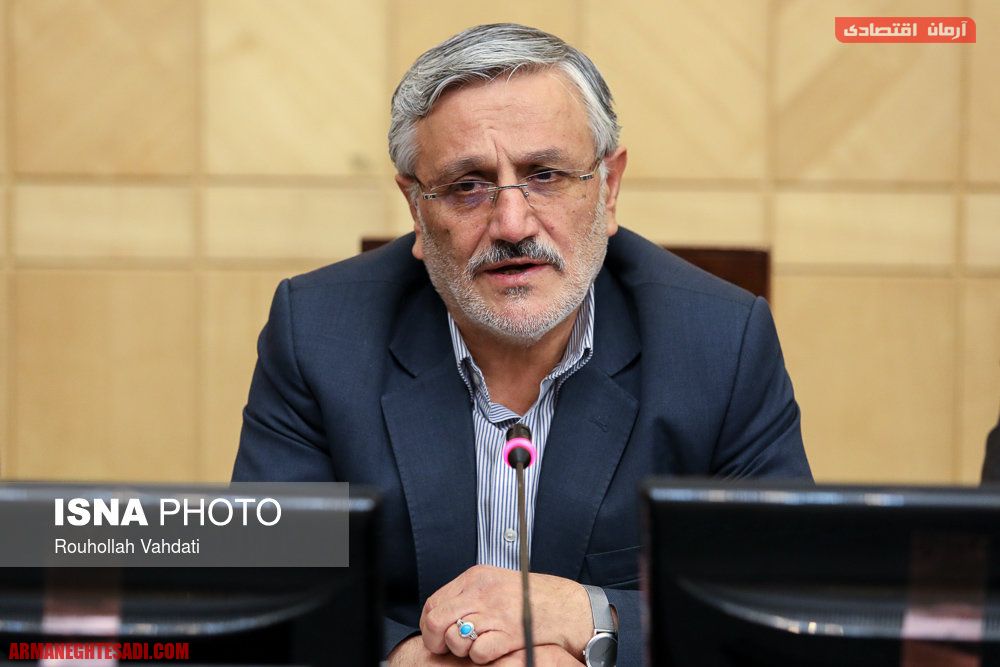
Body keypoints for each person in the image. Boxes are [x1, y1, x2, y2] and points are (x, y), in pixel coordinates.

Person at [233, 23, 811, 666]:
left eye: (546, 174)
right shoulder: (318, 334)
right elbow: (266, 592)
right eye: (467, 185)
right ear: (416, 209)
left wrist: (593, 620)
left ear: (609, 187)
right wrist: (404, 658)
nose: (512, 224)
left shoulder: (720, 342)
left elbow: (782, 600)